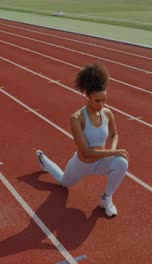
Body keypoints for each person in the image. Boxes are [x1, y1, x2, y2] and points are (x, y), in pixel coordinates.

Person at [35, 62, 129, 218]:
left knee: (122, 163)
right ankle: (43, 159)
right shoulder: (77, 118)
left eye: (104, 100)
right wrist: (114, 151)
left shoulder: (108, 113)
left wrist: (114, 152)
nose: (101, 104)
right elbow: (86, 151)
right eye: (97, 101)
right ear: (87, 96)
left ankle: (106, 198)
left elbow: (114, 134)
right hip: (82, 163)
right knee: (64, 182)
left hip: (101, 161)